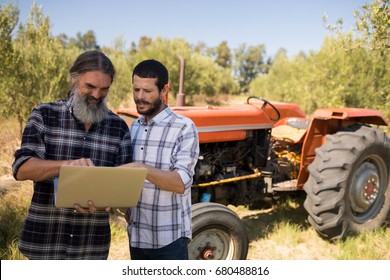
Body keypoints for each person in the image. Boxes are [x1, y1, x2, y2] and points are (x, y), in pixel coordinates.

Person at [12, 50, 133, 260]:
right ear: (74, 79)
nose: (97, 95)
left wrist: (109, 201)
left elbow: (123, 182)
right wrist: (67, 167)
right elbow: (22, 169)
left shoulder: (119, 127)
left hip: (91, 247)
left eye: (104, 89)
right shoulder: (44, 115)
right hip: (44, 242)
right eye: (90, 86)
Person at [123, 59, 199, 260]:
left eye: (147, 91)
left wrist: (141, 168)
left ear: (165, 89)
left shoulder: (184, 127)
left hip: (169, 238)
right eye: (136, 89)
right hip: (137, 235)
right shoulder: (135, 127)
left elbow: (181, 182)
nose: (139, 97)